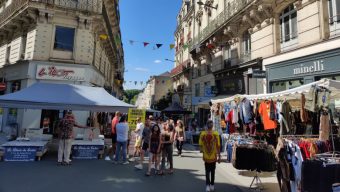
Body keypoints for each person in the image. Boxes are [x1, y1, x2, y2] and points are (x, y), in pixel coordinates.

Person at [199, 120, 221, 192]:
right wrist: (219, 156)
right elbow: (218, 146)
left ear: (206, 125)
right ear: (212, 126)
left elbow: (200, 146)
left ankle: (207, 186)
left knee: (207, 171)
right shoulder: (216, 134)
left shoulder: (202, 134)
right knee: (213, 171)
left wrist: (202, 150)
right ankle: (212, 185)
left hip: (206, 156)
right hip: (213, 156)